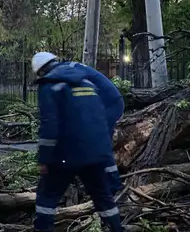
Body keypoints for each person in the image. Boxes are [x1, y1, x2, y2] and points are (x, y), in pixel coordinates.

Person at [28, 52, 127, 232]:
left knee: (47, 195)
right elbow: (101, 121)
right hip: (95, 153)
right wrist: (105, 157)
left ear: (42, 71)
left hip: (66, 153)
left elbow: (49, 125)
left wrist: (44, 159)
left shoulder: (51, 85)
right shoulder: (87, 84)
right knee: (103, 197)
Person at [32, 52, 124, 194]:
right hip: (106, 100)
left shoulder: (62, 75)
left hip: (108, 103)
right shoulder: (67, 69)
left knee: (99, 142)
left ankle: (113, 186)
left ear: (43, 70)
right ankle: (97, 179)